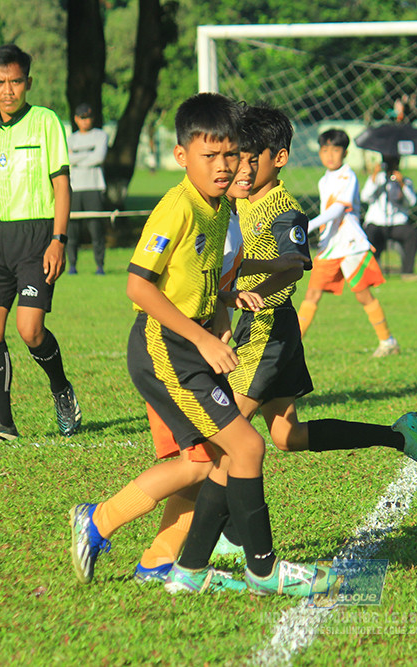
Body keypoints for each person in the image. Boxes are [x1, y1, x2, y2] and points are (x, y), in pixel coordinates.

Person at [131, 105, 417, 584]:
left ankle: (201, 551)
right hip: (260, 329)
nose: (238, 167)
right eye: (234, 157)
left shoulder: (282, 208)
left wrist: (236, 272)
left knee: (226, 444)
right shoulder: (235, 202)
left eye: (247, 157)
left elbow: (297, 261)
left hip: (267, 330)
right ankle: (399, 436)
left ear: (276, 159)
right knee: (285, 437)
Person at [68, 92, 331, 597]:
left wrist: (228, 300)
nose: (222, 166)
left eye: (230, 155)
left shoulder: (216, 209)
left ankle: (156, 559)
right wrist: (202, 340)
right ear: (181, 155)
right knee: (244, 447)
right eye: (209, 156)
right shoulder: (179, 208)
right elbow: (139, 287)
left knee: (206, 461)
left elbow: (195, 280)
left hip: (186, 344)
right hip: (165, 349)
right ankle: (261, 570)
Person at [0, 44, 81, 445]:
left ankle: (61, 390)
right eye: (0, 82)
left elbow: (62, 184)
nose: (9, 90)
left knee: (29, 329)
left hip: (36, 237)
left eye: (16, 82)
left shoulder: (46, 122)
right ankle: (2, 425)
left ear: (28, 82)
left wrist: (58, 239)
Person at [299, 128, 401, 358]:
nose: (330, 155)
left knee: (363, 295)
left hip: (350, 244)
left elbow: (338, 209)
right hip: (329, 246)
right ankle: (293, 346)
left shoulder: (347, 176)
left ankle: (388, 341)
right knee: (312, 294)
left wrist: (309, 225)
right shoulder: (324, 180)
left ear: (345, 153)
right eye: (325, 150)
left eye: (335, 150)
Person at [361, 155, 417, 281]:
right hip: (376, 222)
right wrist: (374, 176)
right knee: (369, 234)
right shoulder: (376, 180)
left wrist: (401, 184)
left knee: (412, 233)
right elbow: (364, 197)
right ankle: (370, 272)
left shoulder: (405, 181)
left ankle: (407, 272)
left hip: (397, 222)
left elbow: (412, 202)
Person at [66, 103, 109, 275]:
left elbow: (98, 158)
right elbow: (66, 159)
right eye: (82, 118)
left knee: (96, 229)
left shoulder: (101, 136)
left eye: (88, 117)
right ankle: (72, 265)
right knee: (72, 230)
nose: (86, 121)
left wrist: (77, 159)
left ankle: (99, 265)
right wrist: (87, 156)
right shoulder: (70, 139)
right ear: (76, 119)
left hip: (94, 187)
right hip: (75, 188)